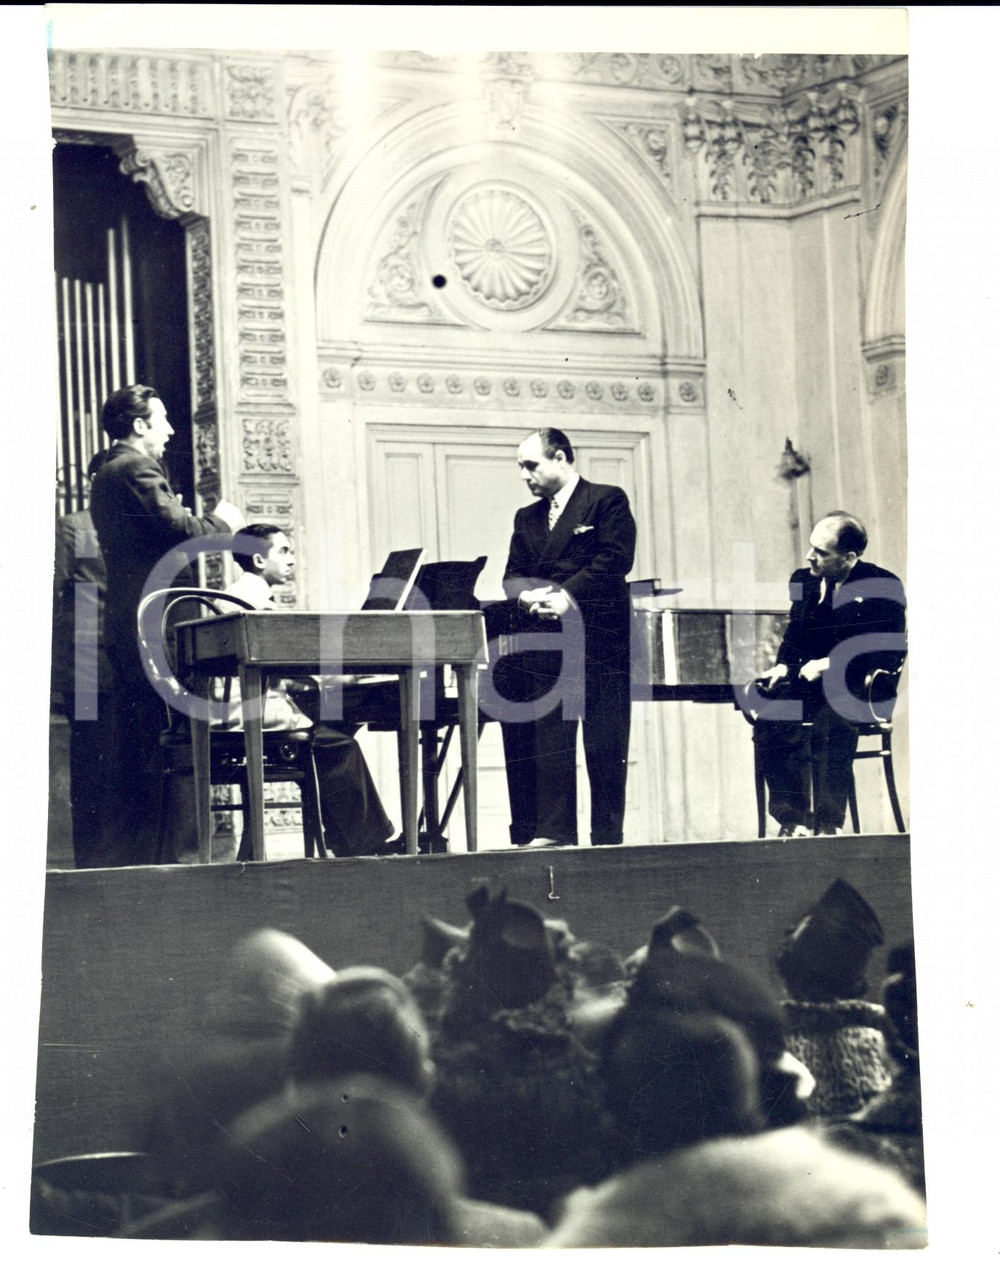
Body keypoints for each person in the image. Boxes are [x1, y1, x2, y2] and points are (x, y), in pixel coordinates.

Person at [89, 385, 243, 864]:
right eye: (163, 420)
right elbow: (182, 532)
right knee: (174, 739)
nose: (172, 431)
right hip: (156, 627)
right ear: (139, 425)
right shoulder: (134, 468)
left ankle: (150, 859)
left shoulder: (110, 472)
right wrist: (222, 521)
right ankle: (180, 861)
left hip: (133, 623)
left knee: (147, 742)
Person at [219, 524, 396, 858]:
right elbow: (293, 663)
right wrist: (345, 675)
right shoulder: (256, 605)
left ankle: (350, 841)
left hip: (242, 711)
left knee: (335, 733)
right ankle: (367, 844)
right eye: (283, 551)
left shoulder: (234, 596)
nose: (292, 560)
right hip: (257, 716)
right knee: (340, 744)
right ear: (259, 560)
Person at [499, 428, 636, 849]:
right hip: (546, 640)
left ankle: (607, 838)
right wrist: (527, 598)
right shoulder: (526, 518)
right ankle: (555, 832)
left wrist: (565, 595)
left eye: (531, 465)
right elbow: (512, 576)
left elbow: (615, 560)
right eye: (520, 467)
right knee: (549, 738)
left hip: (600, 640)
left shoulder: (607, 499)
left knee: (605, 741)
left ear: (560, 458)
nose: (524, 475)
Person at [752, 511, 906, 836]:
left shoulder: (884, 584)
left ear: (849, 557)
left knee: (831, 723)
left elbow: (886, 650)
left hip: (859, 687)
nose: (810, 556)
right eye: (811, 547)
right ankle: (793, 821)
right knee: (772, 716)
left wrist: (828, 665)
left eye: (821, 552)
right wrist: (783, 665)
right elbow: (795, 635)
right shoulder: (803, 580)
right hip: (812, 687)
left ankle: (828, 825)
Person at [51, 451, 113, 868]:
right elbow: (55, 596)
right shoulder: (77, 526)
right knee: (92, 760)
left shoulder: (139, 526)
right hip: (89, 662)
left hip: (133, 658)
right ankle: (92, 861)